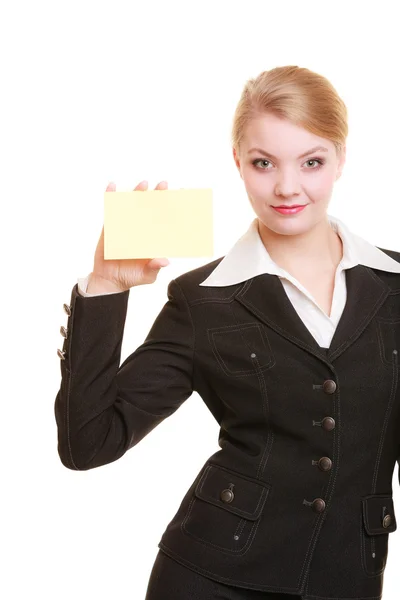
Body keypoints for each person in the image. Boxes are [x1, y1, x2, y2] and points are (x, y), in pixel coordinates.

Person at [55, 65, 400, 600]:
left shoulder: (396, 288)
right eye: (264, 163)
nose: (287, 186)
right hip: (211, 578)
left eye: (311, 162)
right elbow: (89, 442)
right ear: (238, 163)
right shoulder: (203, 299)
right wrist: (105, 287)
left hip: (347, 578)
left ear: (340, 159)